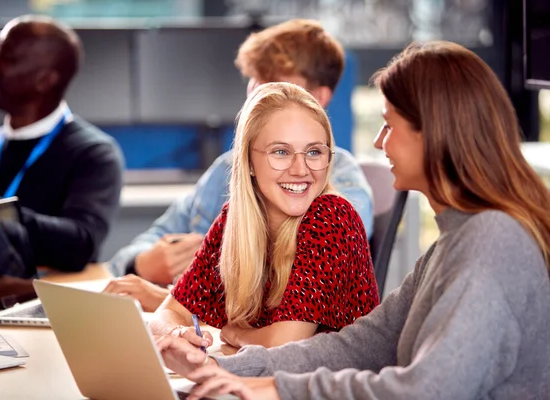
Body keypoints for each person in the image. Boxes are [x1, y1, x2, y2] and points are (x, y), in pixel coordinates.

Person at [156, 41, 550, 400]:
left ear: (433, 134)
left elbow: (426, 391)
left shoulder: (493, 240)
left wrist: (279, 390)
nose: (380, 142)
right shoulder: (452, 243)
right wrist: (223, 369)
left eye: (390, 125)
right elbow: (364, 344)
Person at [107, 19, 373, 291]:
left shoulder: (343, 185)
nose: (256, 96)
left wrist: (176, 297)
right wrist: (142, 264)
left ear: (317, 97)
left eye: (272, 84)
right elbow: (137, 249)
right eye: (254, 81)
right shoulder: (225, 168)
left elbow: (303, 277)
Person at [147, 82, 378, 350]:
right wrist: (176, 334)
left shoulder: (331, 216)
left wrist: (237, 334)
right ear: (248, 161)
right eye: (281, 152)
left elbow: (285, 344)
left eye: (314, 152)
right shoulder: (235, 221)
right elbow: (167, 313)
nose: (300, 169)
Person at [0, 15, 123, 271]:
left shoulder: (93, 153)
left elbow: (79, 245)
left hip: (54, 302)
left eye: (6, 56)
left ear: (45, 80)